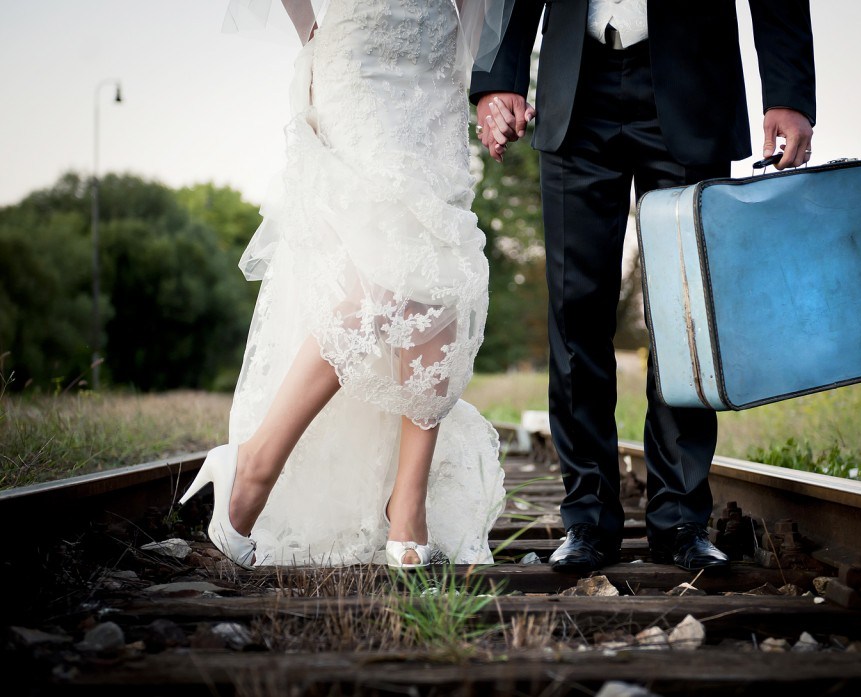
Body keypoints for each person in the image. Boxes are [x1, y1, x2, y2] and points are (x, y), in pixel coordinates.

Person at [470, 0, 816, 573]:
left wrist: (789, 92)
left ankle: (681, 518)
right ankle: (587, 518)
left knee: (686, 316)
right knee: (574, 311)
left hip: (691, 81)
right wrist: (497, 78)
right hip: (575, 84)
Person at [179, 0, 508, 569]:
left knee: (438, 265)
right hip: (358, 55)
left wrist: (482, 75)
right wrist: (310, 33)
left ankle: (406, 507)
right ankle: (254, 463)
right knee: (377, 282)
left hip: (436, 57)